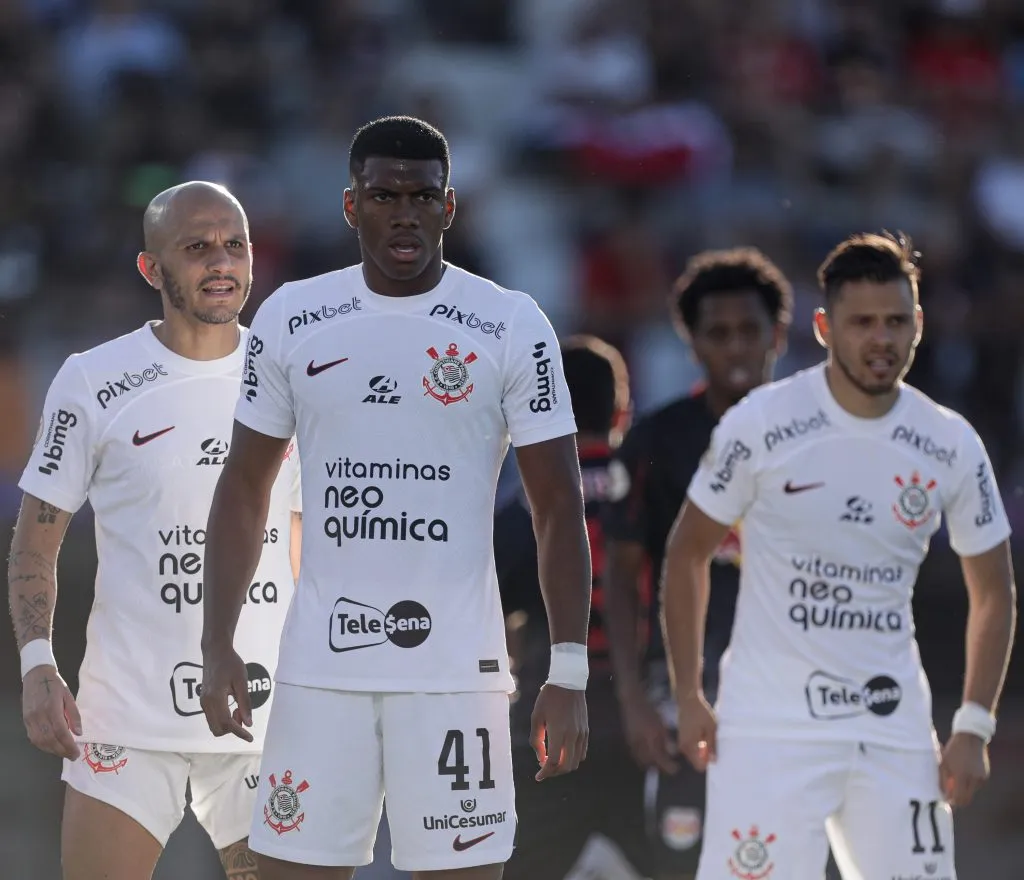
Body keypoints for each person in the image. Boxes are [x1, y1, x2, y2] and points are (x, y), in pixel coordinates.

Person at [199, 115, 592, 880]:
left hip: (455, 677)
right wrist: (218, 645)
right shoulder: (291, 316)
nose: (403, 212)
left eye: (422, 196)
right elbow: (244, 487)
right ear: (352, 206)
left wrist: (568, 671)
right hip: (322, 672)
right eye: (383, 196)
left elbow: (557, 504)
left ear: (450, 208)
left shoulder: (511, 325)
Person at [662, 231, 1017, 880]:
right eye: (862, 323)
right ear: (824, 327)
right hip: (769, 726)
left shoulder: (949, 443)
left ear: (919, 324)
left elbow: (994, 591)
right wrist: (689, 693)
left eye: (895, 321)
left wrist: (973, 724)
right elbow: (686, 554)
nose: (881, 339)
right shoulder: (761, 423)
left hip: (892, 725)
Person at [8, 180, 302, 880]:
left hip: (265, 719)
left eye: (235, 245)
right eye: (197, 247)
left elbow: (305, 543)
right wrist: (36, 665)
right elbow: (33, 542)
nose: (221, 262)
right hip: (126, 718)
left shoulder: (291, 375)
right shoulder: (93, 380)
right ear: (151, 268)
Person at [603, 248, 791, 879]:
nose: (736, 348)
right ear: (691, 343)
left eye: (750, 331)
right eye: (718, 334)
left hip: (798, 688)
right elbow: (620, 576)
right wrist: (633, 696)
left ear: (779, 336)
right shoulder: (658, 439)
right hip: (689, 690)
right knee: (689, 860)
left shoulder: (817, 434)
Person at [495, 334, 646, 880]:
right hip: (646, 731)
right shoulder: (650, 491)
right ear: (622, 408)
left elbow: (489, 609)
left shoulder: (527, 506)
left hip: (548, 738)